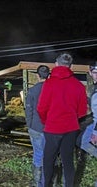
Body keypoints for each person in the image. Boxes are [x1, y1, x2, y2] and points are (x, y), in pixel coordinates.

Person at [37, 52, 88, 187]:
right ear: (70, 66)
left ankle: (47, 184)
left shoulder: (48, 84)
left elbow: (41, 108)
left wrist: (45, 121)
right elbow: (82, 111)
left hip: (52, 128)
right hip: (71, 129)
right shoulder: (79, 86)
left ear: (56, 64)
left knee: (48, 161)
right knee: (68, 161)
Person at [25, 65, 50, 187]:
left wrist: (29, 126)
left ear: (37, 76)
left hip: (36, 127)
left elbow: (28, 111)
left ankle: (37, 183)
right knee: (50, 155)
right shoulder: (54, 90)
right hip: (51, 128)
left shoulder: (32, 91)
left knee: (38, 154)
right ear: (49, 75)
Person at [77, 61, 97, 157]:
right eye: (95, 73)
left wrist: (95, 132)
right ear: (90, 73)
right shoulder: (94, 87)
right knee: (80, 141)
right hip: (94, 120)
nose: (96, 75)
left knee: (82, 141)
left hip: (96, 123)